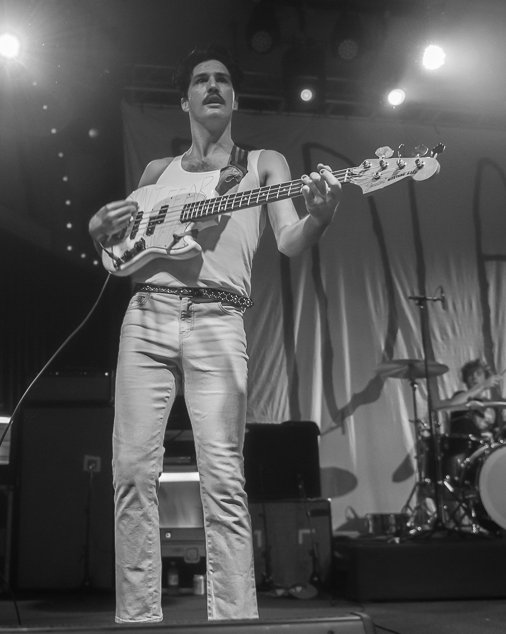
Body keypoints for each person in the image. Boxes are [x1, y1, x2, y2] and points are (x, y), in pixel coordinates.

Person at [88, 46, 341, 624]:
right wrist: (98, 230)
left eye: (223, 80)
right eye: (201, 79)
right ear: (185, 101)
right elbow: (126, 248)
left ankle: (233, 621)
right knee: (131, 473)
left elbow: (289, 239)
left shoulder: (264, 163)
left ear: (234, 98)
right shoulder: (157, 173)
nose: (213, 86)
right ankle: (137, 621)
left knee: (223, 478)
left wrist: (321, 217)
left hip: (218, 319)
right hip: (147, 316)